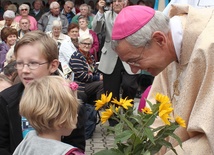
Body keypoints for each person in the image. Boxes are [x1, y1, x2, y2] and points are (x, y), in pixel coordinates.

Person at [111, 5, 214, 154]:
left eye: (134, 60)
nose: (134, 70)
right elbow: (157, 114)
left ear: (159, 39)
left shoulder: (209, 48)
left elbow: (209, 137)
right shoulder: (167, 46)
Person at [0, 30, 86, 155]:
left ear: (53, 65)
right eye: (19, 63)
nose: (24, 70)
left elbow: (75, 144)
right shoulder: (5, 100)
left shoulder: (70, 99)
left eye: (33, 63)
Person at [92, 0, 139, 126]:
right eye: (114, 1)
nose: (117, 3)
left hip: (129, 56)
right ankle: (114, 120)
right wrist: (100, 10)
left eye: (120, 0)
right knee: (111, 90)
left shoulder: (133, 14)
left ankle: (128, 114)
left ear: (126, 2)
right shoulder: (106, 15)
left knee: (130, 85)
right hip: (111, 57)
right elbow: (95, 28)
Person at [13, 76, 84, 155]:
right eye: (74, 112)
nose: (77, 115)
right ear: (61, 120)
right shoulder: (70, 153)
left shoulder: (27, 142)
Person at [69, 33, 103, 104]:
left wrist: (100, 76)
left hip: (89, 83)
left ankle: (95, 107)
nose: (87, 46)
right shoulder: (76, 56)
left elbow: (95, 71)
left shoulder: (90, 56)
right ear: (79, 44)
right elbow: (83, 77)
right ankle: (100, 107)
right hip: (80, 85)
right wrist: (98, 78)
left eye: (89, 44)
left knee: (105, 82)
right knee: (101, 84)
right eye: (84, 43)